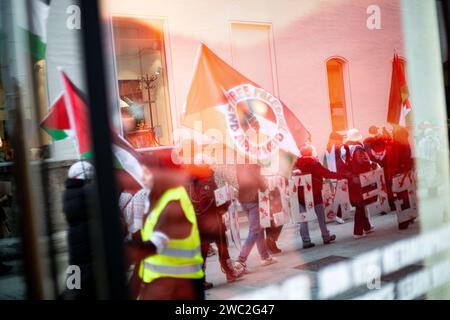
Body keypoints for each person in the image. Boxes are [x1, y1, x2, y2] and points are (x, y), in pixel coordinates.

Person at [127, 165, 205, 300]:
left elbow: (160, 238)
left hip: (179, 286)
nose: (142, 177)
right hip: (162, 284)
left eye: (147, 173)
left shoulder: (174, 198)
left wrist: (131, 251)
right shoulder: (156, 198)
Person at [185, 156, 244, 290]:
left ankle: (202, 279)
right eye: (208, 164)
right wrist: (225, 201)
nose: (211, 166)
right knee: (221, 247)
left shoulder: (194, 179)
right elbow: (209, 200)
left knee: (204, 251)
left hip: (202, 220)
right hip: (212, 220)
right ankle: (229, 273)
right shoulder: (204, 180)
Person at [60, 160, 96, 299]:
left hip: (74, 239)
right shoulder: (87, 192)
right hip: (86, 241)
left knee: (74, 281)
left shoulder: (68, 193)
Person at [294, 145, 341, 249]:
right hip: (315, 194)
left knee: (303, 218)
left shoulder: (296, 164)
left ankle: (306, 241)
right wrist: (340, 175)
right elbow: (326, 174)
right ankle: (326, 236)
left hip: (300, 195)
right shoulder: (314, 162)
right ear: (311, 152)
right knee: (320, 217)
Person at [235, 163, 277, 272]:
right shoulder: (253, 165)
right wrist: (265, 183)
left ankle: (265, 257)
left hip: (243, 199)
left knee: (259, 228)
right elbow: (262, 185)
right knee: (254, 230)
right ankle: (241, 260)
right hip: (253, 199)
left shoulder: (239, 165)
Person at [344, 129, 377, 239]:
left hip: (351, 179)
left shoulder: (346, 149)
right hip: (359, 179)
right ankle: (357, 232)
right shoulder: (358, 149)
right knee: (360, 205)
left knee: (360, 204)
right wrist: (372, 166)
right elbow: (364, 162)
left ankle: (366, 227)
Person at [323, 131, 346, 224]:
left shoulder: (327, 148)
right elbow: (340, 162)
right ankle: (338, 215)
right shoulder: (336, 149)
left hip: (330, 175)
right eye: (339, 140)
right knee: (338, 196)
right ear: (335, 139)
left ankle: (337, 214)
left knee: (335, 196)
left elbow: (325, 163)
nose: (340, 142)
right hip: (336, 175)